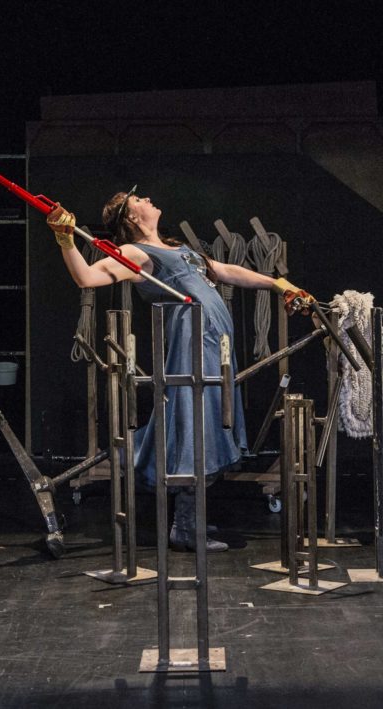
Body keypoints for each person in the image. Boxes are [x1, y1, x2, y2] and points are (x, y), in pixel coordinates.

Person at [46, 186, 315, 552]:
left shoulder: (180, 249)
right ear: (131, 216)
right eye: (139, 200)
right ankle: (185, 526)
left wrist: (280, 284)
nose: (148, 200)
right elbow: (87, 278)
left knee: (211, 427)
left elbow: (226, 271)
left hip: (214, 348)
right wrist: (65, 239)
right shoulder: (135, 253)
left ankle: (191, 518)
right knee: (196, 429)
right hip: (193, 350)